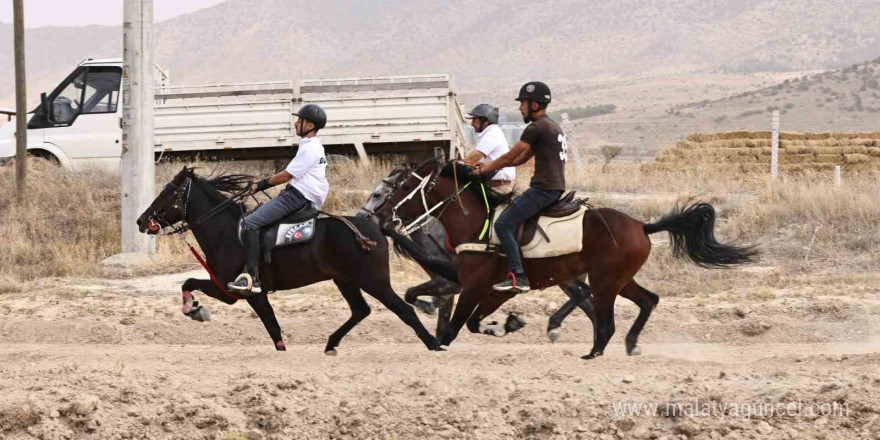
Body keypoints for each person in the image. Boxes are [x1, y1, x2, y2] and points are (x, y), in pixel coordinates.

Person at [473, 81, 567, 294]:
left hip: (543, 189)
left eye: (523, 103)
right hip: (554, 188)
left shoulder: (536, 128)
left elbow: (508, 156)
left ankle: (518, 276)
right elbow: (519, 159)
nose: (520, 108)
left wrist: (483, 171)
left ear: (534, 105)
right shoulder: (552, 126)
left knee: (503, 224)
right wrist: (489, 165)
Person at [228, 103, 329, 294]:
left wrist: (260, 185)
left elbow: (286, 175)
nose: (295, 124)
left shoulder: (310, 148)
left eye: (300, 120)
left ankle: (252, 279)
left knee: (249, 223)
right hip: (302, 195)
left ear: (309, 126)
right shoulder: (314, 146)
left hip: (297, 197)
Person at [461, 104, 516, 190]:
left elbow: (472, 159)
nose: (472, 124)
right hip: (493, 180)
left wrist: (454, 165)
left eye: (474, 120)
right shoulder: (489, 132)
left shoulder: (492, 133)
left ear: (485, 121)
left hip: (497, 184)